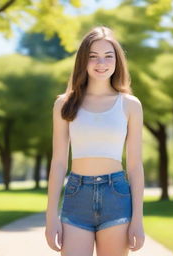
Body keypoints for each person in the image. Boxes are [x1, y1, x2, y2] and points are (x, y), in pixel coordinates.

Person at [45, 26, 145, 256]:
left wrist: (138, 219)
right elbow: (59, 162)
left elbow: (135, 165)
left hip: (117, 196)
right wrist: (51, 217)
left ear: (117, 61)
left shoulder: (130, 104)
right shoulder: (64, 103)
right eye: (93, 57)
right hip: (76, 195)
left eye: (108, 56)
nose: (101, 63)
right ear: (83, 61)